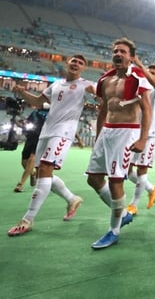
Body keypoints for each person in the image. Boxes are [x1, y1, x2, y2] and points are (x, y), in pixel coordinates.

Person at [7, 55, 95, 236]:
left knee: (46, 169)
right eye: (74, 61)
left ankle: (28, 219)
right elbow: (38, 102)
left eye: (80, 63)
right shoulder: (56, 85)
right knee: (42, 174)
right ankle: (72, 199)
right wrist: (22, 92)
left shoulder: (86, 84)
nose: (76, 64)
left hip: (63, 132)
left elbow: (101, 96)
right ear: (67, 63)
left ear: (83, 68)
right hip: (46, 131)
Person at [86, 38, 152, 249]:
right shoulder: (105, 79)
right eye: (115, 51)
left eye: (123, 51)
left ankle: (113, 231)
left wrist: (142, 139)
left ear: (131, 56)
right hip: (107, 131)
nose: (118, 54)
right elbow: (103, 109)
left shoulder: (137, 77)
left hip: (127, 132)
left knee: (116, 182)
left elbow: (147, 110)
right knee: (94, 179)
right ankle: (122, 213)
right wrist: (99, 136)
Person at [125, 58, 155, 215]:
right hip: (135, 134)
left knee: (142, 170)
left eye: (153, 73)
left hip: (151, 136)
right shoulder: (140, 90)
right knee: (127, 171)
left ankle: (133, 205)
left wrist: (141, 67)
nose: (149, 74)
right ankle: (151, 188)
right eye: (149, 72)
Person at [13, 103, 49, 193]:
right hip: (31, 137)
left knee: (32, 158)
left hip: (42, 138)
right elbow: (27, 123)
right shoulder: (34, 113)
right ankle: (32, 173)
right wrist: (19, 123)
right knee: (24, 162)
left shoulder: (52, 113)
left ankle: (20, 184)